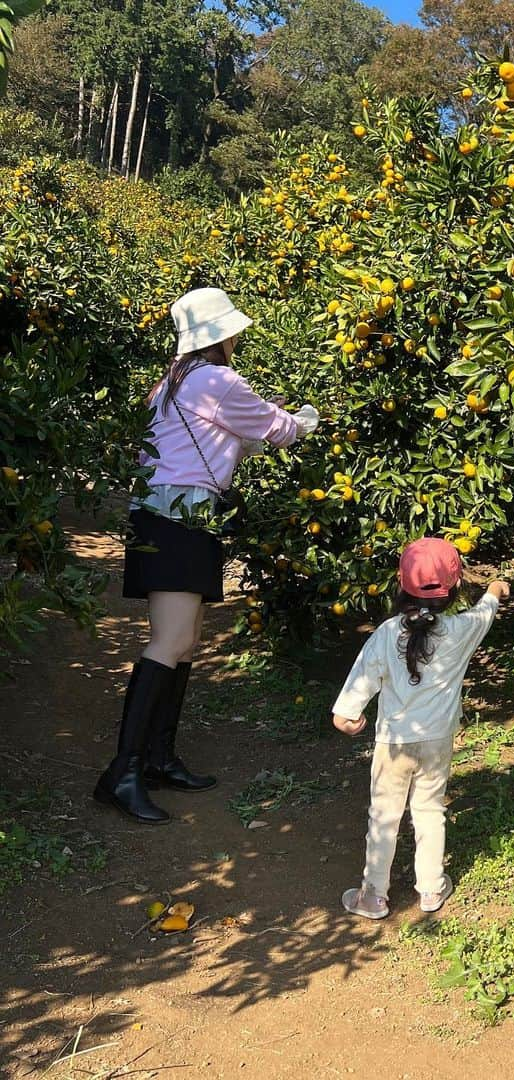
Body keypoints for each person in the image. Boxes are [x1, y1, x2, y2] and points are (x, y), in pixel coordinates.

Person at [94, 287, 320, 825]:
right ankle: (121, 772)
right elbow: (275, 428)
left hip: (173, 517)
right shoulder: (217, 380)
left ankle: (158, 758)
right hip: (181, 520)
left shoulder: (172, 383)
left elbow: (227, 438)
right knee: (170, 641)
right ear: (222, 333)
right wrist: (305, 420)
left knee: (187, 641)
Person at [332, 537, 510, 918]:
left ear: (400, 582)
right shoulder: (462, 630)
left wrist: (346, 714)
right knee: (430, 809)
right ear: (456, 586)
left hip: (393, 744)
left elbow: (361, 680)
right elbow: (486, 612)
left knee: (383, 815)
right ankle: (430, 889)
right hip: (437, 740)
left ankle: (373, 896)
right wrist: (494, 589)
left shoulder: (386, 633)